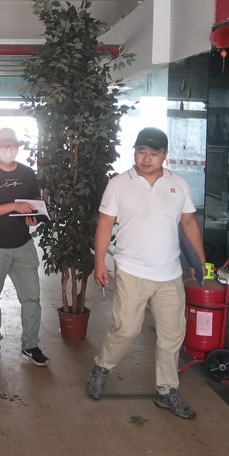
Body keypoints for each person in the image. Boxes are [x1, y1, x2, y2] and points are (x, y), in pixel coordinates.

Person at [85, 127, 204, 419]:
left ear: (165, 155)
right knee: (126, 328)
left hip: (170, 273)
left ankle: (167, 391)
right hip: (132, 270)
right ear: (135, 152)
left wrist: (200, 261)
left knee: (172, 335)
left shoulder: (178, 184)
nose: (146, 158)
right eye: (141, 151)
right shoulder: (118, 184)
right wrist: (99, 262)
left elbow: (188, 223)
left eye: (153, 153)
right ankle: (102, 367)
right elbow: (104, 224)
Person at [0, 127, 49, 366]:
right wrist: (14, 206)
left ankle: (31, 344)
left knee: (31, 297)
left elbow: (34, 205)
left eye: (12, 144)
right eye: (3, 145)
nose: (9, 149)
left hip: (23, 245)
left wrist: (33, 218)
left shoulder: (27, 173)